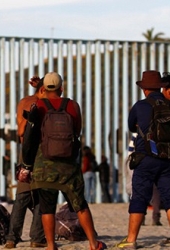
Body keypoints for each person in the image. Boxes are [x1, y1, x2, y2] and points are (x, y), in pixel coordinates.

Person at [31, 72, 106, 250]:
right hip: (68, 166)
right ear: (61, 89)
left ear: (43, 89)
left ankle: (50, 245)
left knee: (47, 207)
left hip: (44, 166)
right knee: (80, 205)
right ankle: (93, 243)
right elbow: (77, 131)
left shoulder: (39, 105)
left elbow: (32, 136)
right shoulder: (73, 106)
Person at [116, 70, 170, 249]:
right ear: (160, 87)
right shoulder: (168, 104)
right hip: (167, 158)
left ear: (144, 88)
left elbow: (132, 126)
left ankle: (131, 240)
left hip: (145, 158)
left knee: (139, 197)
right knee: (169, 198)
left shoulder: (140, 106)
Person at [4, 76, 46, 249]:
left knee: (21, 197)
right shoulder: (42, 106)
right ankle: (36, 238)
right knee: (42, 196)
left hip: (24, 154)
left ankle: (11, 239)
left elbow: (20, 129)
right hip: (40, 154)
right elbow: (23, 128)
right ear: (43, 90)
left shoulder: (24, 101)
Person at [125, 133, 162, 226]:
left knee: (140, 190)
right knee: (155, 191)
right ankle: (156, 216)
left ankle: (141, 216)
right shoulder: (157, 130)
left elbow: (130, 150)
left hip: (138, 161)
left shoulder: (138, 132)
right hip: (156, 160)